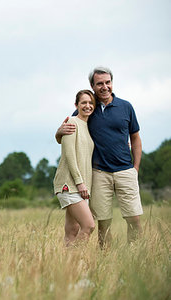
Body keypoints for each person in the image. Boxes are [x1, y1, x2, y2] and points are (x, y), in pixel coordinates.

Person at [56, 66, 143, 248]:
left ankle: (135, 255)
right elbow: (70, 131)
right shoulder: (88, 108)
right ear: (92, 85)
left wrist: (135, 168)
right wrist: (58, 133)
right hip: (99, 174)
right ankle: (105, 258)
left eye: (108, 82)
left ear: (112, 83)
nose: (105, 87)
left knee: (134, 218)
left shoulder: (125, 107)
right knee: (103, 223)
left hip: (125, 170)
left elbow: (135, 138)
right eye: (100, 83)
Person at [53, 90, 96, 246]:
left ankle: (67, 266)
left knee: (73, 230)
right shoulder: (71, 122)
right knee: (89, 225)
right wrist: (79, 182)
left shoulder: (87, 126)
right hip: (69, 185)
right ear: (76, 105)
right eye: (83, 102)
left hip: (80, 186)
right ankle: (74, 259)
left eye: (91, 103)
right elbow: (70, 155)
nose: (87, 106)